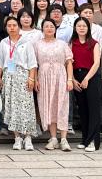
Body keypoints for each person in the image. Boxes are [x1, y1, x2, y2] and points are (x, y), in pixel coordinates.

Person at [0, 16, 39, 151]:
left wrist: (31, 79)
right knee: (12, 107)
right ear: (6, 28)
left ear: (19, 27)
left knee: (26, 107)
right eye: (9, 25)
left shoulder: (26, 43)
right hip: (8, 77)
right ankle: (17, 137)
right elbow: (0, 62)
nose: (12, 28)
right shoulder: (3, 43)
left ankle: (28, 137)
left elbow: (32, 63)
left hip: (23, 76)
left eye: (14, 25)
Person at [33, 17, 73, 151]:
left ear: (55, 29)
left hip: (60, 77)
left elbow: (69, 62)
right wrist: (35, 80)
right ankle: (54, 138)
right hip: (43, 78)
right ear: (42, 29)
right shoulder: (37, 44)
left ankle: (64, 139)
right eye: (46, 26)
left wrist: (69, 79)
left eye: (51, 26)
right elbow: (34, 65)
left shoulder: (62, 44)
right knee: (48, 107)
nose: (49, 28)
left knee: (62, 106)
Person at [70, 17, 102, 152]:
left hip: (91, 77)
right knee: (82, 109)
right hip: (76, 77)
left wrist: (87, 78)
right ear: (75, 28)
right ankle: (85, 139)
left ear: (88, 28)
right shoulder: (72, 43)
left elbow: (97, 63)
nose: (81, 28)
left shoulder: (94, 43)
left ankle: (93, 141)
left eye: (84, 26)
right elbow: (69, 63)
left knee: (93, 109)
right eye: (79, 26)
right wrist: (72, 79)